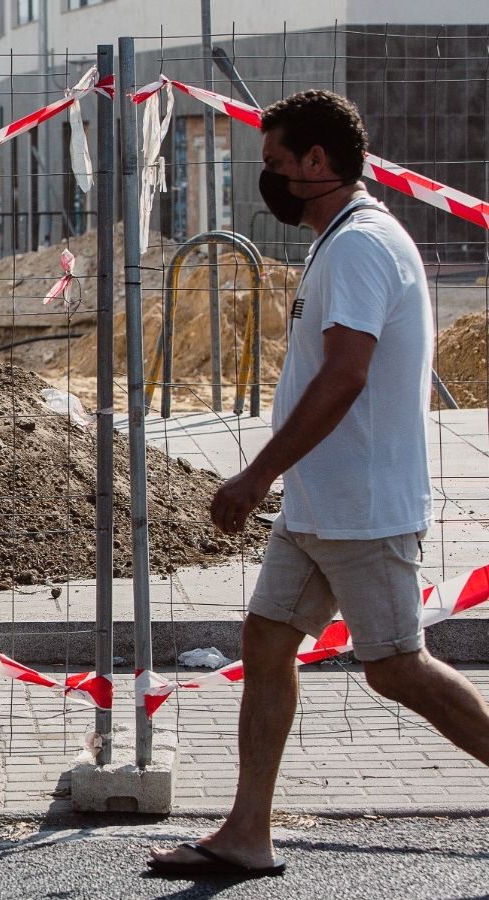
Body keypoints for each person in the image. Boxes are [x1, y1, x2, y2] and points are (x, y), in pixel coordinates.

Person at [148, 90, 489, 879]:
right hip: (318, 505)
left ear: (317, 162)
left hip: (362, 507)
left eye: (275, 164)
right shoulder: (339, 241)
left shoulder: (363, 245)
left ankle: (247, 828)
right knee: (267, 641)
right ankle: (246, 831)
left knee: (397, 665)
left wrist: (255, 473)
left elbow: (345, 376)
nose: (265, 180)